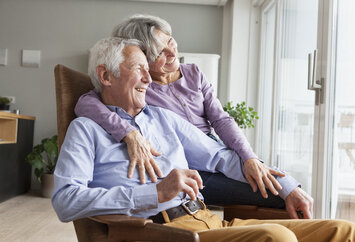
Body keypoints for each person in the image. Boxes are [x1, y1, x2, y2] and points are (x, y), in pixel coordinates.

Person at [52, 37, 355, 242]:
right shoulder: (86, 130)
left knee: (344, 232)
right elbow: (65, 200)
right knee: (277, 239)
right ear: (106, 76)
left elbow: (223, 158)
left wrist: (288, 187)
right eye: (139, 69)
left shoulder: (163, 119)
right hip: (154, 234)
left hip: (206, 219)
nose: (150, 79)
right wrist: (155, 192)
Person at [74, 14, 285, 208]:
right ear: (143, 58)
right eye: (160, 53)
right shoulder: (140, 88)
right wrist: (129, 133)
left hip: (214, 151)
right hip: (190, 165)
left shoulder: (193, 72)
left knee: (277, 182)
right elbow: (85, 103)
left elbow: (221, 120)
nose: (173, 53)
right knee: (272, 194)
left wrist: (249, 158)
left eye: (170, 41)